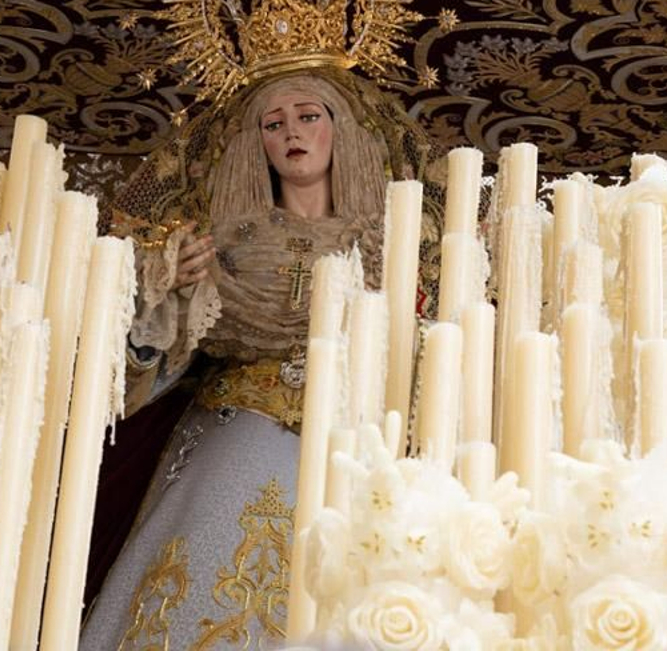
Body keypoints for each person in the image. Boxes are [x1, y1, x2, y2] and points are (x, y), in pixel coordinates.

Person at [83, 66, 441, 650]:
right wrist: (168, 291)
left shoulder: (386, 248)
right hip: (238, 426)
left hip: (354, 446)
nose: (292, 134)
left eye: (308, 117)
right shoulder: (222, 243)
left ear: (340, 130)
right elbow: (152, 365)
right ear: (258, 144)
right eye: (274, 124)